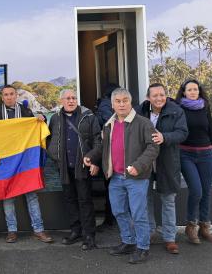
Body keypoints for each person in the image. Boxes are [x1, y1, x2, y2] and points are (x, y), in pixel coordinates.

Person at [85, 88, 159, 264]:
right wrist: (91, 156)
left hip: (137, 178)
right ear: (112, 104)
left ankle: (143, 248)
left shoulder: (143, 123)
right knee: (118, 211)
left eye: (125, 100)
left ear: (130, 102)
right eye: (117, 101)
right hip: (116, 177)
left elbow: (153, 147)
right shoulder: (109, 125)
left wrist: (138, 166)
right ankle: (128, 242)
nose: (121, 104)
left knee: (139, 214)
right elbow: (103, 148)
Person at [0, 84, 53, 244]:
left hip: (25, 160)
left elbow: (36, 130)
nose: (9, 97)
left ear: (16, 96)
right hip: (5, 161)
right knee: (8, 197)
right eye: (6, 95)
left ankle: (38, 230)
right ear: (2, 97)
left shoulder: (25, 112)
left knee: (31, 195)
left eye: (11, 94)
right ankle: (12, 231)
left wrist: (41, 120)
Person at [135, 83, 188, 254]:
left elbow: (182, 133)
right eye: (155, 95)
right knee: (146, 198)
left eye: (162, 95)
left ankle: (170, 238)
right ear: (148, 97)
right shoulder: (139, 111)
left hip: (168, 161)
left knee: (168, 200)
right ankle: (149, 232)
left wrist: (164, 137)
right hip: (145, 162)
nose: (159, 98)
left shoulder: (176, 110)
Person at [46, 89, 102, 250]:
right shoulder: (55, 118)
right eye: (68, 98)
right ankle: (75, 231)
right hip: (64, 167)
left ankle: (89, 235)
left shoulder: (89, 116)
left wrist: (94, 160)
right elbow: (50, 138)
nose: (71, 101)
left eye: (74, 98)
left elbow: (98, 141)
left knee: (85, 201)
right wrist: (54, 157)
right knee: (70, 200)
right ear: (61, 101)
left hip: (83, 167)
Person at [175, 79, 212, 245]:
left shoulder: (205, 106)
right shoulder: (178, 108)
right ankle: (191, 225)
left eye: (196, 89)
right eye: (190, 90)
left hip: (206, 154)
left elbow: (211, 130)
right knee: (196, 190)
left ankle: (204, 227)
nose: (193, 92)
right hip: (185, 154)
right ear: (184, 92)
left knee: (206, 191)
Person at [94, 83, 119, 231]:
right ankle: (111, 218)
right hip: (110, 153)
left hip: (108, 152)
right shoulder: (106, 107)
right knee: (113, 187)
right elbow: (113, 124)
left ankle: (111, 218)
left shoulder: (103, 105)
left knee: (111, 186)